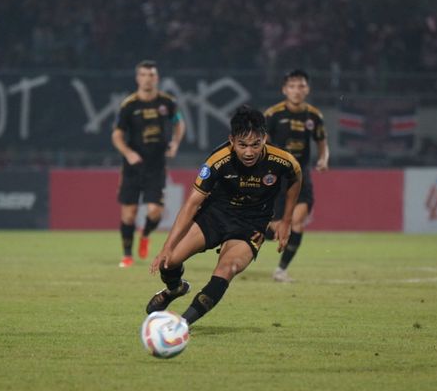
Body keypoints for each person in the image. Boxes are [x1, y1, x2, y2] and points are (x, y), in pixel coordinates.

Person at [146, 106, 302, 325]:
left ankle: (181, 324)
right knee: (169, 263)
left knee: (227, 268)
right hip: (216, 215)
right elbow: (192, 204)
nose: (249, 152)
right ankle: (175, 289)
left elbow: (296, 178)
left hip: (251, 223)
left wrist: (286, 221)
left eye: (256, 144)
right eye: (243, 145)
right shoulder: (217, 161)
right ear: (232, 140)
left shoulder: (281, 160)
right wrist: (167, 246)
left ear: (264, 138)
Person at [111, 60, 186, 268]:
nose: (147, 78)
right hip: (133, 168)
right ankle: (127, 255)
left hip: (156, 166)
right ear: (138, 78)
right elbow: (116, 135)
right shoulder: (129, 105)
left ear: (157, 78)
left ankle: (145, 234)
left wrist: (175, 143)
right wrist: (128, 153)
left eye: (151, 75)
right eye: (143, 75)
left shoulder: (167, 103)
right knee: (129, 213)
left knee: (155, 212)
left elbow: (179, 122)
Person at [263, 69, 329, 282]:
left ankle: (281, 270)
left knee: (297, 221)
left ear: (307, 89)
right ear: (284, 89)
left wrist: (323, 159)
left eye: (301, 86)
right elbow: (260, 141)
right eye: (292, 86)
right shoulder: (273, 114)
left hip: (301, 177)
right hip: (276, 177)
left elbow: (322, 143)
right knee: (273, 229)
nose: (297, 90)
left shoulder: (314, 116)